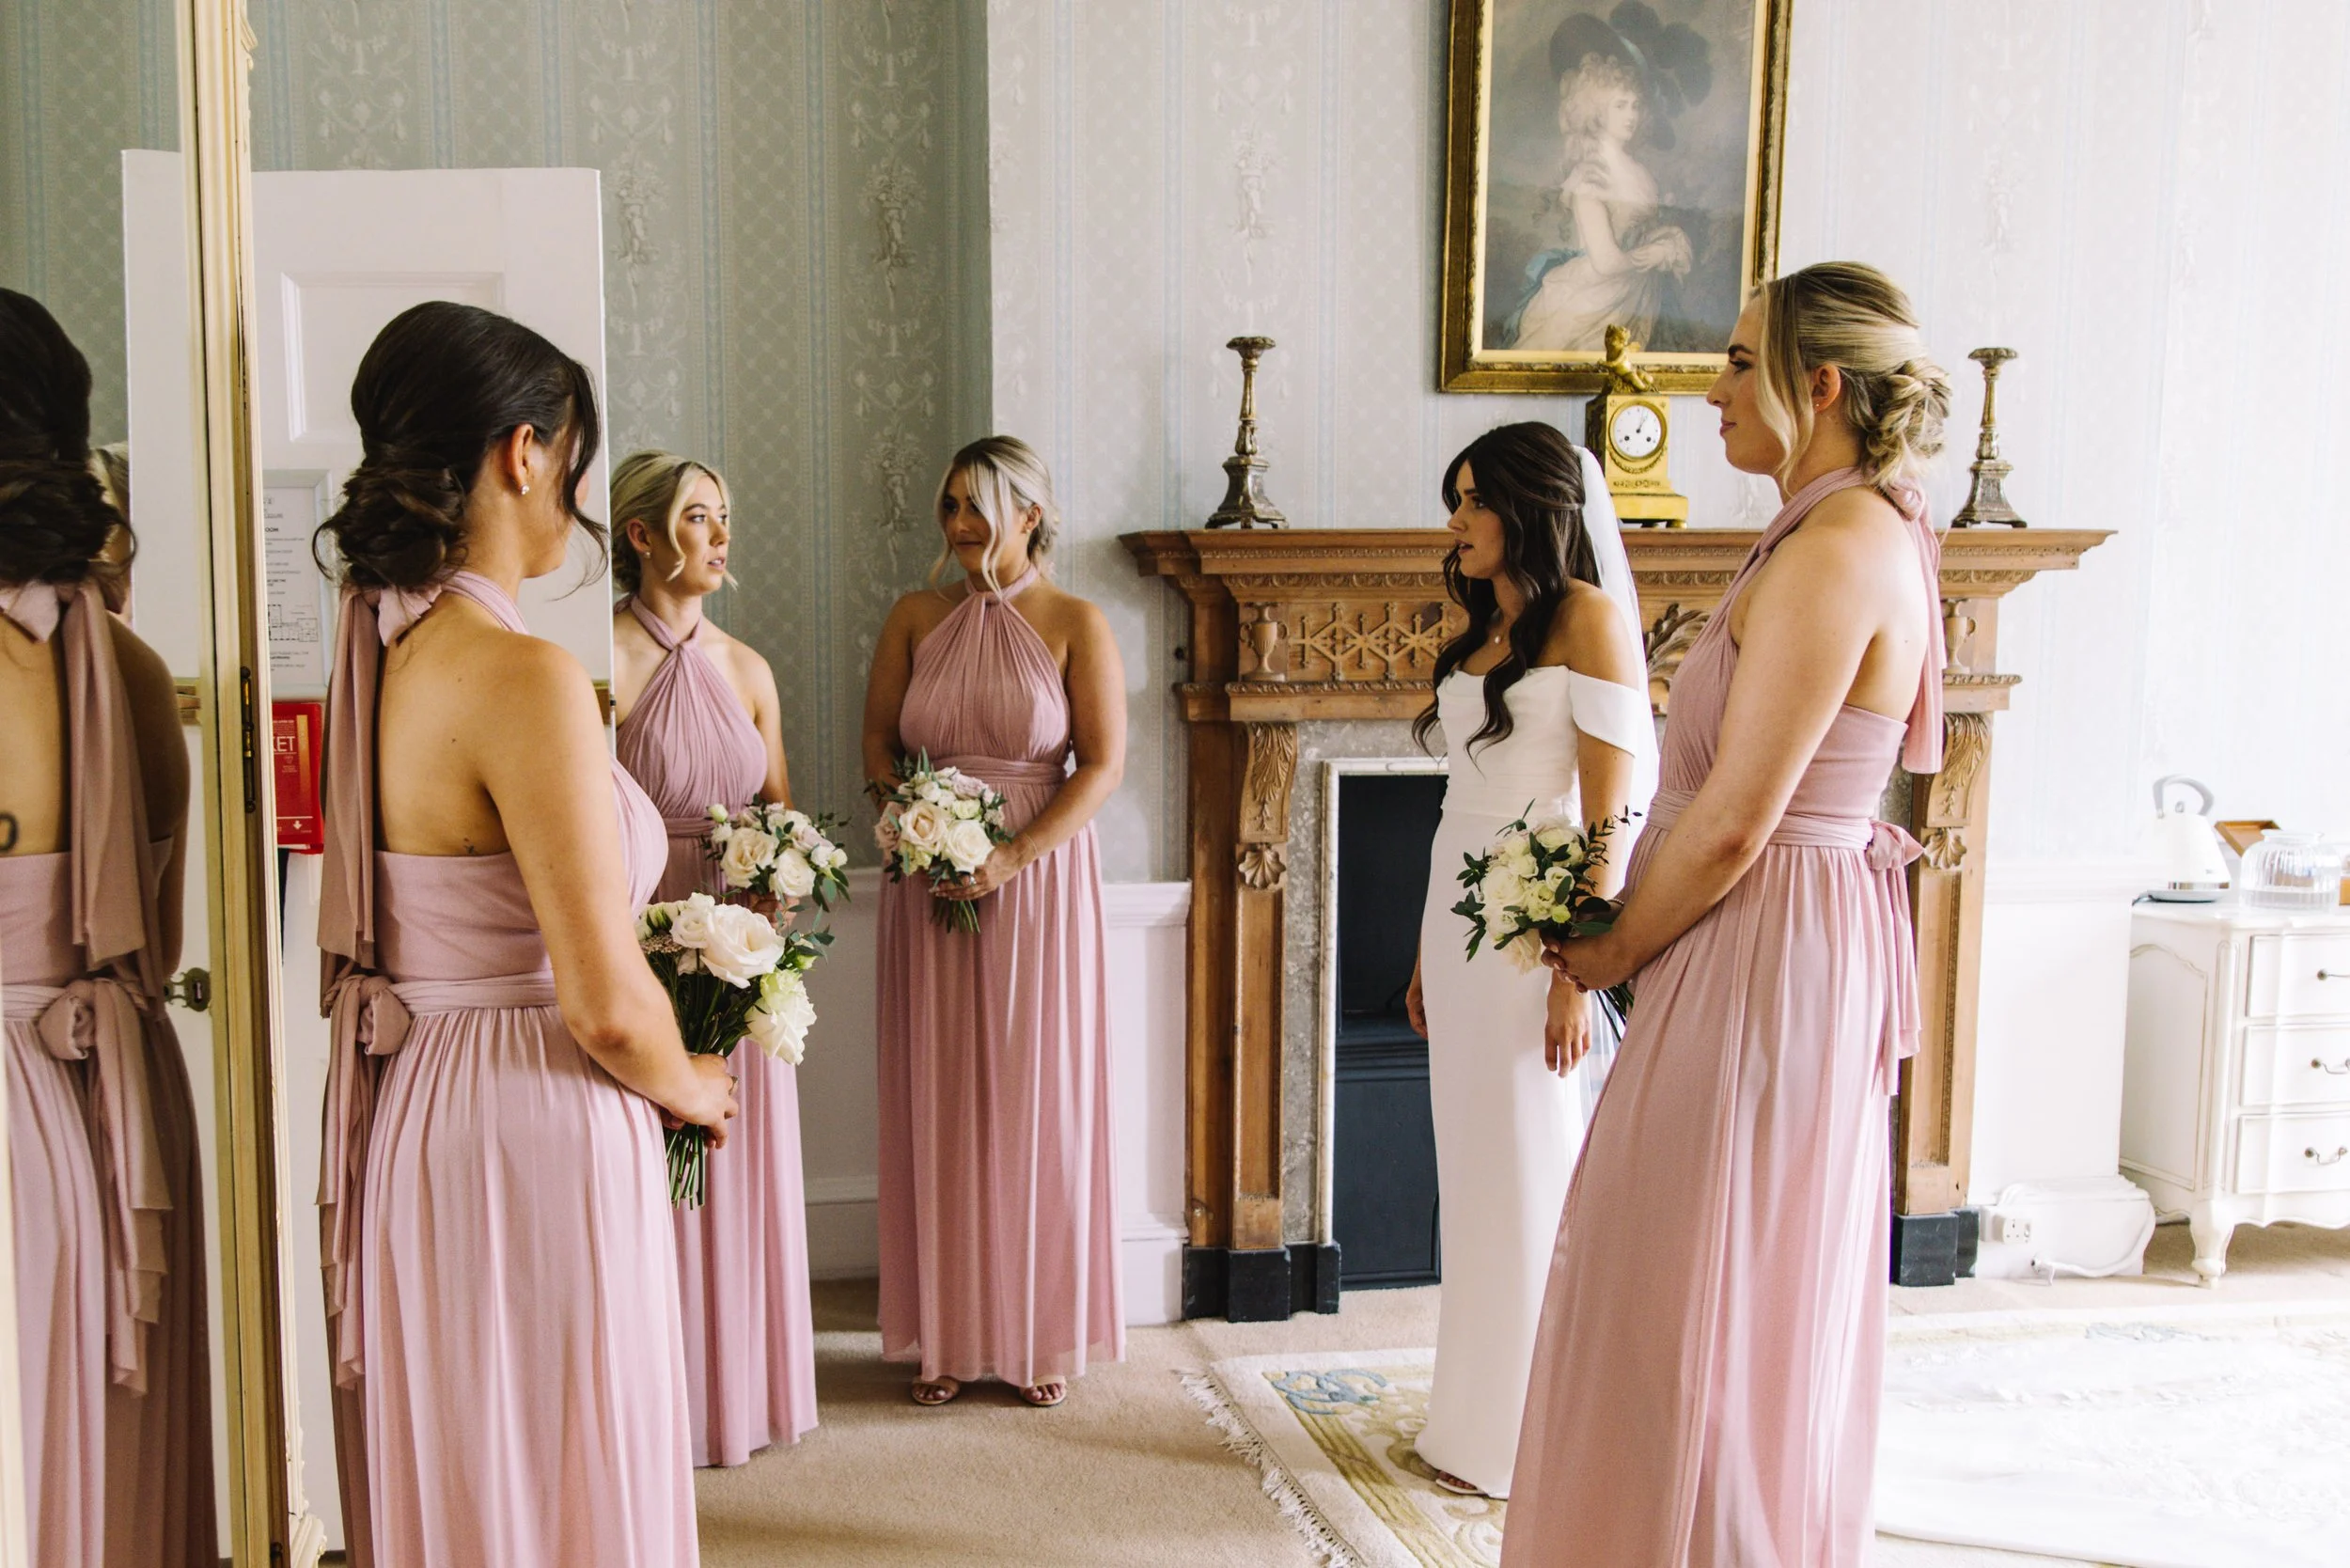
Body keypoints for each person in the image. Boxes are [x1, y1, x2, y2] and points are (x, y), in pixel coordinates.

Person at [1503, 261, 1951, 1566]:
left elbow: (1740, 819)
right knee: (1692, 1266)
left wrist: (1606, 951)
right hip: (1764, 932)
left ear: (1821, 385)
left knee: (1693, 1277)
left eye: (1739, 360)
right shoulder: (1833, 531)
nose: (1711, 390)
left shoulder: (1840, 549)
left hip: (1770, 941)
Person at [314, 301, 734, 1565]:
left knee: (476, 1457)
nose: (581, 495)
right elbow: (602, 1001)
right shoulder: (526, 676)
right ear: (522, 452)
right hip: (535, 1108)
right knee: (567, 1459)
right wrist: (693, 1084)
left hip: (423, 1112)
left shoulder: (383, 656)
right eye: (575, 457)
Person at [0, 287, 214, 1568]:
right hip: (116, 1090)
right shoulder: (131, 668)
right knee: (102, 1461)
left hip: (16, 1107)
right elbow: (157, 942)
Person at [1402, 422, 1651, 1500]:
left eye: (1473, 501)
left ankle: (1534, 1439)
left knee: (1526, 1167)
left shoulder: (1589, 617)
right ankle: (1471, 1420)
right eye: (1454, 500)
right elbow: (1458, 808)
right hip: (1455, 919)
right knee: (1473, 1171)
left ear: (1529, 507)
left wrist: (1572, 970)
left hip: (1531, 931)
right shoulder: (1485, 622)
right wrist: (1423, 955)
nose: (1455, 522)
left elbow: (1611, 811)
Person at [862, 434, 1124, 1409]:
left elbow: (1101, 765)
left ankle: (1038, 1335)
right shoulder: (913, 616)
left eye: (978, 505)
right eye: (951, 506)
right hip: (926, 881)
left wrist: (1011, 855)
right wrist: (912, 820)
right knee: (939, 1101)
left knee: (1032, 1099)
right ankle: (944, 1337)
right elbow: (877, 741)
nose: (961, 524)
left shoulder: (1076, 621)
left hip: (1037, 883)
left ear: (1030, 515)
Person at [610, 449, 817, 1466]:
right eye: (699, 516)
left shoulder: (748, 669)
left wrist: (780, 886)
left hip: (740, 945)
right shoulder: (598, 661)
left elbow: (780, 812)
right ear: (643, 534)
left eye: (724, 514)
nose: (722, 534)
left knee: (737, 1153)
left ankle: (735, 1391)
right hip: (641, 932)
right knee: (648, 1151)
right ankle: (654, 1399)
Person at [1506, 29, 1693, 353]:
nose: (1631, 115)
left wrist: (1666, 248)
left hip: (1640, 295)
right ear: (1597, 110)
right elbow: (1606, 263)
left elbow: (1643, 232)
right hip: (1593, 301)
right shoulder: (1590, 177)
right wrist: (1654, 255)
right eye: (1620, 105)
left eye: (1635, 105)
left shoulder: (1642, 174)